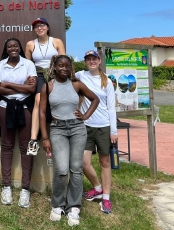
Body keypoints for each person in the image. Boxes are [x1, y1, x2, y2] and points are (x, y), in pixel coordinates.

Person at [39, 55, 99, 226]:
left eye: (67, 66)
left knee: (76, 168)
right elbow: (42, 113)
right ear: (55, 67)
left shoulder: (76, 84)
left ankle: (74, 207)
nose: (64, 69)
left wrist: (85, 115)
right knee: (62, 169)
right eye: (61, 66)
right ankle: (57, 204)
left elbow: (95, 99)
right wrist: (45, 137)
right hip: (57, 129)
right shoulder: (48, 87)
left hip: (77, 129)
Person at [0, 38, 37, 208]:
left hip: (25, 107)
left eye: (16, 46)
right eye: (10, 46)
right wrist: (22, 86)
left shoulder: (28, 64)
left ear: (20, 48)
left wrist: (9, 84)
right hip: (5, 107)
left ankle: (25, 189)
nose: (13, 48)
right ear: (6, 49)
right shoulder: (0, 65)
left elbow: (31, 89)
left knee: (26, 147)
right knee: (7, 145)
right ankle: (6, 187)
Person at [77, 50, 118, 215]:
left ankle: (106, 198)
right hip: (86, 125)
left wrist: (113, 131)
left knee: (105, 163)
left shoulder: (106, 81)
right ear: (85, 61)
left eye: (94, 59)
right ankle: (98, 187)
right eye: (89, 59)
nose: (92, 61)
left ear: (99, 60)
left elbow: (111, 107)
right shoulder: (80, 75)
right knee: (83, 162)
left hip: (103, 125)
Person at [25, 17, 66, 155]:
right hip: (39, 75)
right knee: (38, 100)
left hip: (55, 75)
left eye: (42, 25)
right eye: (36, 26)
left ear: (47, 27)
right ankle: (33, 140)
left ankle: (58, 135)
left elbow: (64, 62)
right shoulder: (31, 44)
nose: (39, 28)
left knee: (56, 102)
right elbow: (27, 65)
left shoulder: (56, 42)